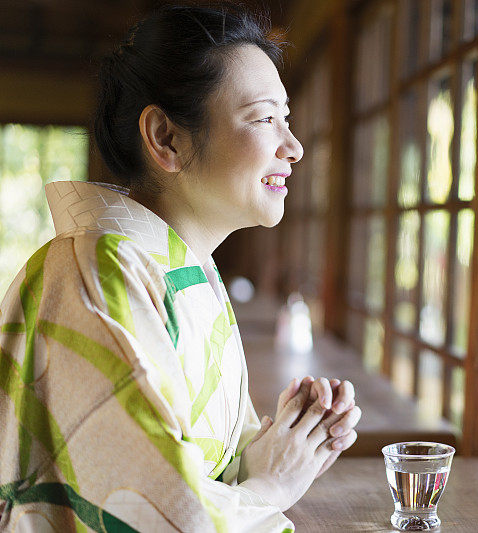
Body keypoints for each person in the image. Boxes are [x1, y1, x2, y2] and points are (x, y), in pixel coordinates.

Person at [0, 4, 361, 532]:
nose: (294, 147)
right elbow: (158, 515)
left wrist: (274, 446)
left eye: (288, 119)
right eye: (264, 119)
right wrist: (272, 486)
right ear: (166, 137)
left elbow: (187, 471)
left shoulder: (186, 272)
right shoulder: (98, 269)